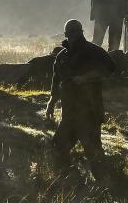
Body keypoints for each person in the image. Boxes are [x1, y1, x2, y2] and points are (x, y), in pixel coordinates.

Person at [45, 19, 115, 181]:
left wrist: (86, 77)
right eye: (71, 33)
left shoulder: (93, 51)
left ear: (82, 32)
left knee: (93, 151)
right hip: (69, 114)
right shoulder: (61, 57)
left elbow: (111, 67)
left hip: (90, 113)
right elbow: (56, 82)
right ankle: (68, 180)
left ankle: (106, 186)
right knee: (58, 147)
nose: (74, 35)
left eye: (77, 31)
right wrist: (51, 103)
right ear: (66, 35)